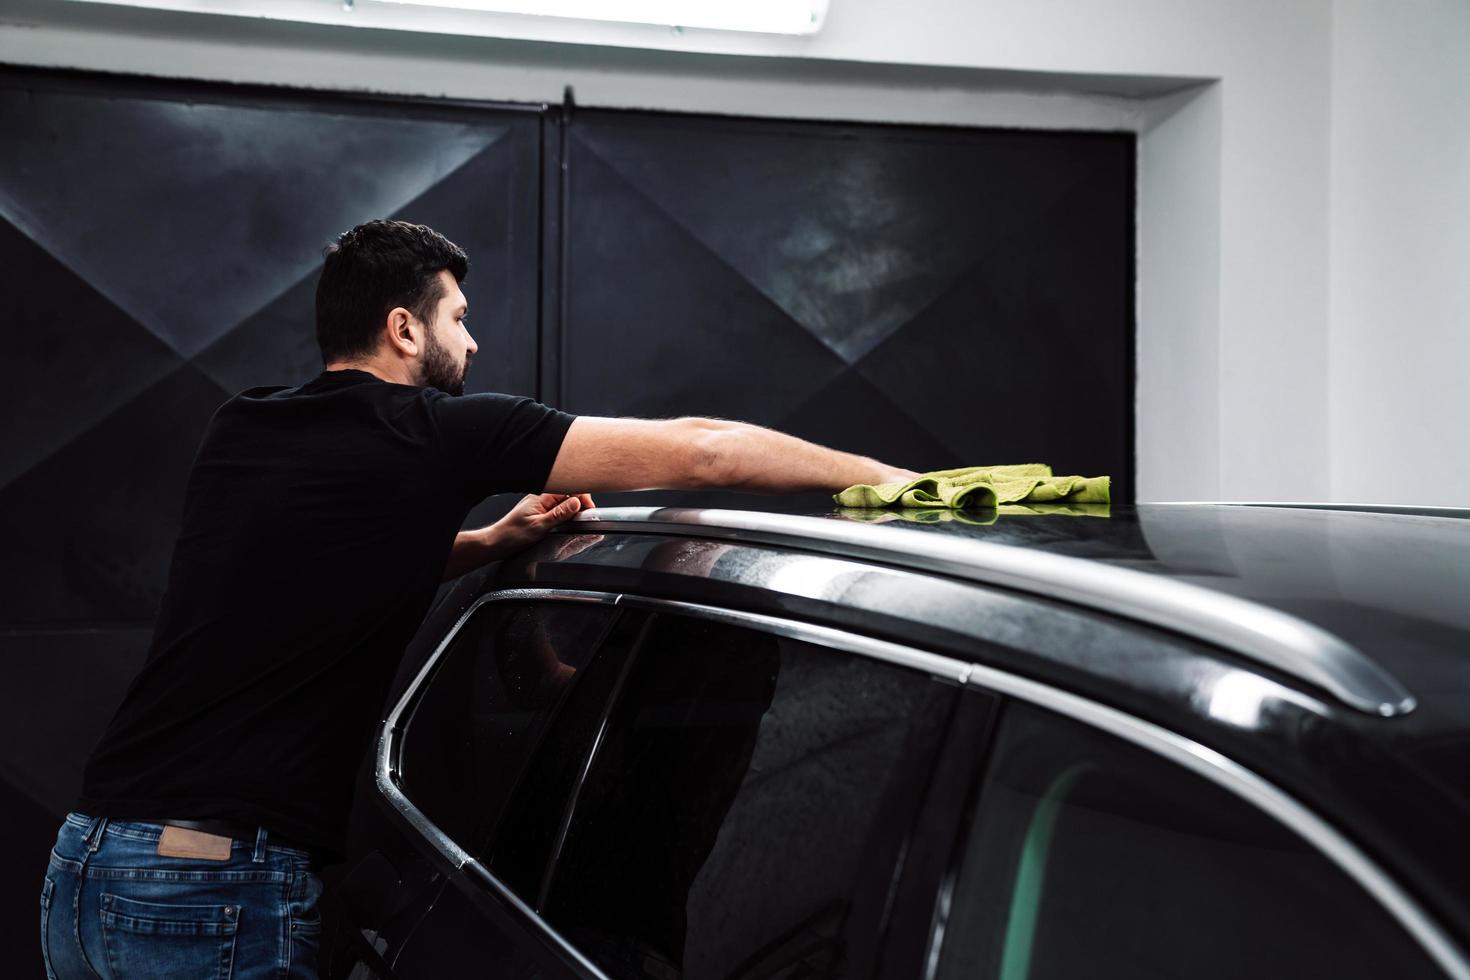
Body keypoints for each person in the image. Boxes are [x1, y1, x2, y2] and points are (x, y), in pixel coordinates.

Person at [38, 219, 919, 979]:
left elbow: (318, 569)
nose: (474, 340)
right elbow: (707, 452)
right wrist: (890, 477)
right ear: (403, 329)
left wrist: (490, 544)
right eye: (458, 316)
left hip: (84, 869)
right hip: (212, 889)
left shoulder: (246, 427)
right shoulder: (432, 435)